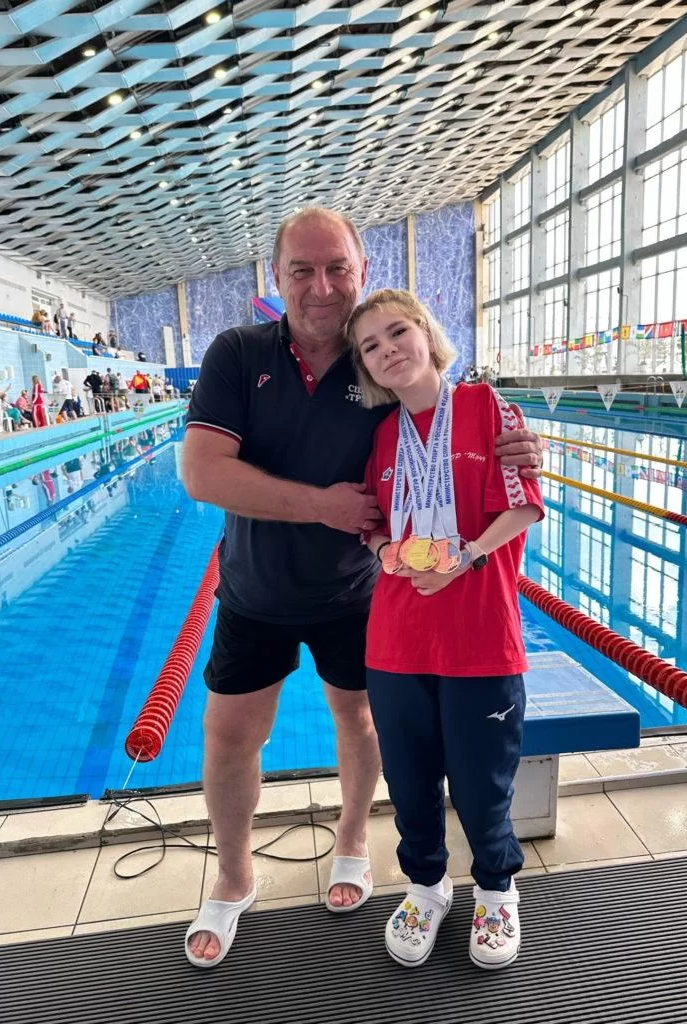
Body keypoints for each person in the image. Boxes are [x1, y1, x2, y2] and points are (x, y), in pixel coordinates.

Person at [181, 207, 544, 969]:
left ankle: (354, 843)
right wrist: (331, 511)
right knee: (232, 735)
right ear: (276, 278)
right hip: (258, 587)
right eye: (302, 270)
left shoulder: (378, 363)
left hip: (361, 596)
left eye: (337, 268)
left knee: (365, 725)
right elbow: (202, 474)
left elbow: (460, 435)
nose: (321, 286)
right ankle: (234, 876)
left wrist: (515, 443)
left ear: (363, 272)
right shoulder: (239, 351)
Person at [348, 289, 542, 969]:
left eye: (397, 332)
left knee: (482, 786)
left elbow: (524, 505)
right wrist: (384, 551)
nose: (387, 350)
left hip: (480, 638)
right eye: (370, 346)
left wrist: (469, 556)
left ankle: (496, 890)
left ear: (427, 333)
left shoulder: (489, 409)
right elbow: (373, 523)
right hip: (396, 642)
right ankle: (427, 886)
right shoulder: (382, 436)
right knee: (409, 784)